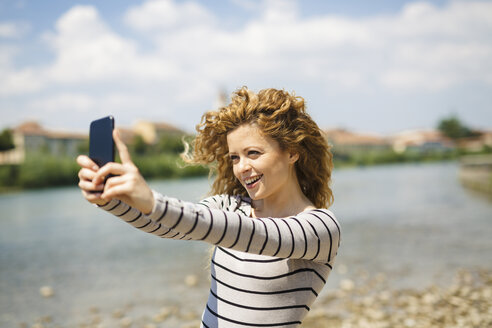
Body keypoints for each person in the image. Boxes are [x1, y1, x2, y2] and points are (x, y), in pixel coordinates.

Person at [77, 87, 341, 327]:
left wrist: (152, 200)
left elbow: (248, 233)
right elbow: (171, 225)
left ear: (292, 152)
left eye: (253, 153)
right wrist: (111, 200)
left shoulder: (320, 228)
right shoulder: (230, 206)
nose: (241, 168)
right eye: (234, 157)